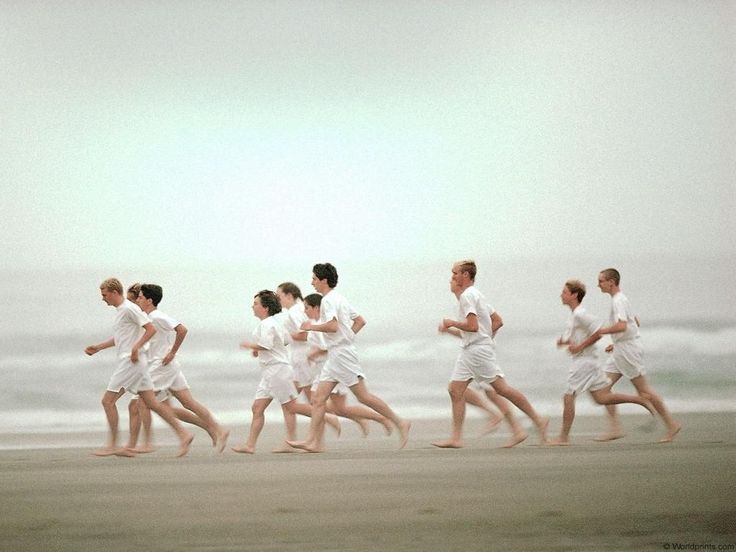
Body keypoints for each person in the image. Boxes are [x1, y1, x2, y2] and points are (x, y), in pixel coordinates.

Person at [287, 263, 411, 452]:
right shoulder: (340, 298)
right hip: (336, 354)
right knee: (318, 399)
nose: (312, 283)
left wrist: (312, 327)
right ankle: (311, 441)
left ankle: (399, 421)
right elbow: (360, 321)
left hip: (342, 355)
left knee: (363, 396)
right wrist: (347, 338)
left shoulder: (328, 300)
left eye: (314, 279)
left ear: (323, 280)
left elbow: (332, 326)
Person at [433, 260, 548, 449]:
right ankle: (457, 438)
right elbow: (497, 321)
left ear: (466, 275)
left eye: (455, 273)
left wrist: (452, 323)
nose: (452, 277)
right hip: (472, 349)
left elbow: (472, 326)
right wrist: (485, 337)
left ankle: (538, 420)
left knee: (501, 389)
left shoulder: (467, 297)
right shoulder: (477, 295)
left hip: (477, 351)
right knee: (455, 389)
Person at [84, 278, 194, 457]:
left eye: (104, 295)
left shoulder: (128, 309)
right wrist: (98, 347)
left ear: (114, 292)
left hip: (130, 362)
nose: (103, 299)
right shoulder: (124, 310)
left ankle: (112, 445)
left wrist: (136, 348)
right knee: (151, 403)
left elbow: (150, 329)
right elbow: (122, 337)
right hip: (137, 363)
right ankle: (184, 433)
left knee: (107, 401)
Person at [549, 279, 655, 446]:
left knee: (568, 397)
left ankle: (563, 437)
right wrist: (564, 342)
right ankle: (639, 400)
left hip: (584, 362)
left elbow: (597, 333)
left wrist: (579, 347)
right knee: (601, 398)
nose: (560, 295)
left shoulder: (580, 314)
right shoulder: (574, 316)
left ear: (574, 295)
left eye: (564, 292)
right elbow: (580, 336)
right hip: (588, 361)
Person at [134, 283, 229, 453]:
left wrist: (172, 351)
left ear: (149, 300)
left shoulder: (156, 316)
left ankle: (181, 436)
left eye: (140, 297)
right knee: (185, 403)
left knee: (143, 402)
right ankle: (217, 429)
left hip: (161, 365)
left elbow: (182, 330)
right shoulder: (149, 317)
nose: (137, 300)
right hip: (167, 366)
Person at [593, 268, 681, 443]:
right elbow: (635, 322)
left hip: (628, 351)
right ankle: (615, 428)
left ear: (611, 282)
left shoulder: (619, 300)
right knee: (601, 388)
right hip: (622, 348)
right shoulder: (619, 300)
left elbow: (622, 326)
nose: (598, 284)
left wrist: (601, 331)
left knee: (644, 390)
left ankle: (672, 425)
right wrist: (616, 342)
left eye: (601, 281)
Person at [302, 293, 393, 437]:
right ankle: (371, 419)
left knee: (327, 403)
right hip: (326, 368)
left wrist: (315, 353)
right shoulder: (318, 324)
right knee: (338, 408)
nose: (305, 311)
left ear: (316, 308)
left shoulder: (320, 325)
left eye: (307, 307)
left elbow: (329, 345)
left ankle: (381, 417)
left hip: (334, 366)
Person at [232, 290, 299, 454]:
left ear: (265, 307)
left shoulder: (268, 324)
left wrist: (251, 345)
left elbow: (268, 345)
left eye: (255, 303)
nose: (252, 306)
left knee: (289, 407)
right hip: (269, 371)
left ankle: (292, 442)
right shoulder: (272, 323)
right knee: (257, 408)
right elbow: (285, 340)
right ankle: (250, 445)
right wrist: (258, 349)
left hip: (278, 369)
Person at [275, 283, 341, 436]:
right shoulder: (298, 310)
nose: (277, 299)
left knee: (299, 400)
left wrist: (283, 337)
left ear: (289, 295)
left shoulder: (295, 311)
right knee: (291, 400)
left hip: (304, 360)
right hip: (300, 360)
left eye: (279, 296)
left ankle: (329, 419)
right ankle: (295, 440)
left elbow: (305, 334)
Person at [124, 283, 154, 453]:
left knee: (143, 404)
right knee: (136, 405)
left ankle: (147, 443)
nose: (127, 304)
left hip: (149, 364)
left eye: (131, 300)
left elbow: (150, 337)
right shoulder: (135, 318)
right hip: (142, 364)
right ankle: (133, 444)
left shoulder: (143, 318)